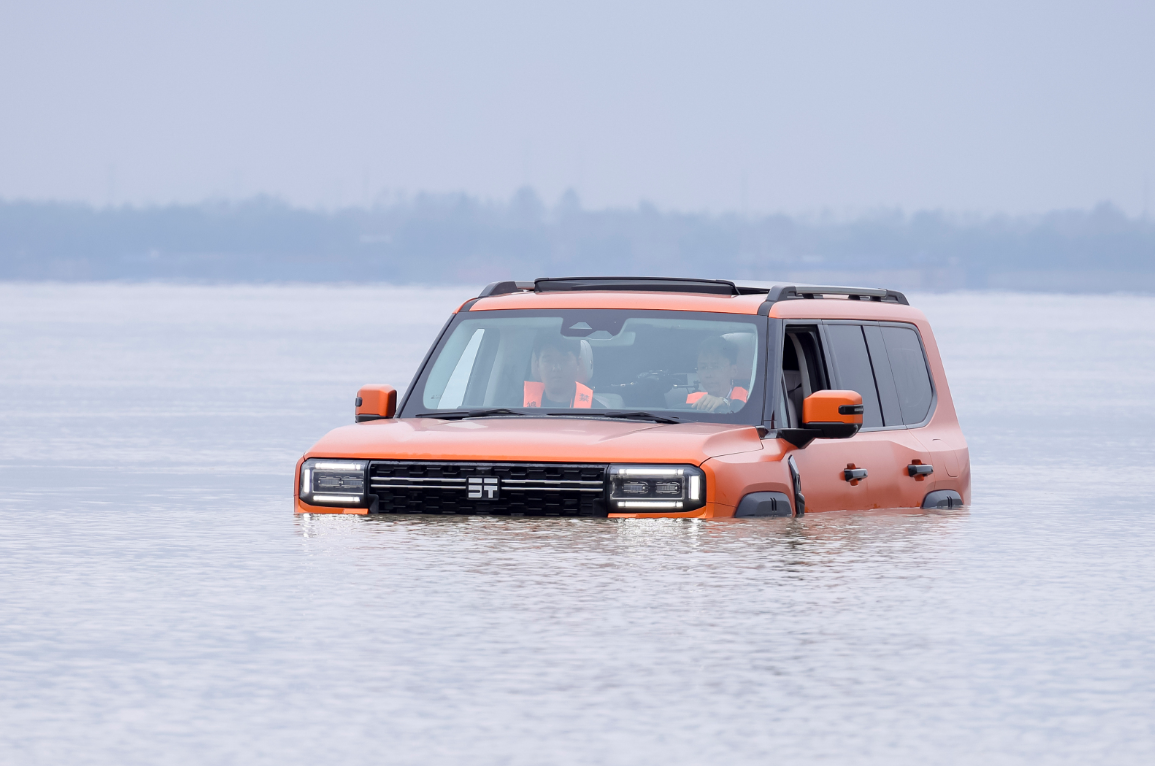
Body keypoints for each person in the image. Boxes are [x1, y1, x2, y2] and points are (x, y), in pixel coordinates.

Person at [524, 334, 593, 408]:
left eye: (564, 360)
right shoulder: (517, 411)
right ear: (537, 365)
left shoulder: (599, 413)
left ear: (578, 363)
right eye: (548, 360)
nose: (556, 368)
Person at [687, 336, 748, 412]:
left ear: (733, 370)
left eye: (716, 367)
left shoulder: (748, 399)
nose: (709, 375)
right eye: (703, 367)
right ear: (698, 373)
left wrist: (724, 403)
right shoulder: (690, 404)